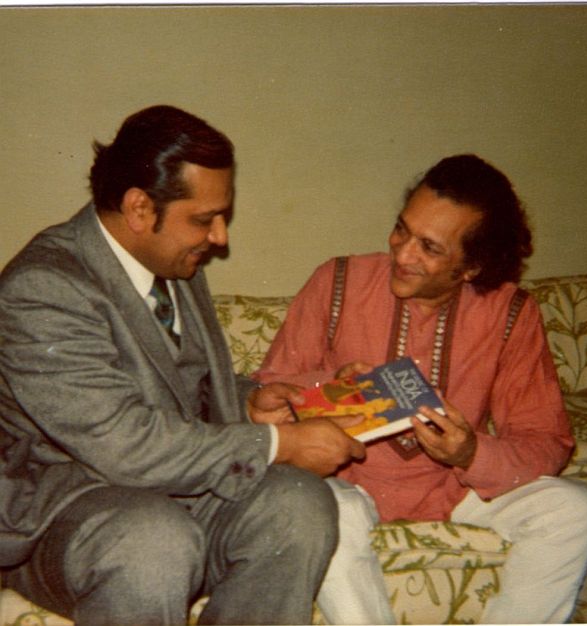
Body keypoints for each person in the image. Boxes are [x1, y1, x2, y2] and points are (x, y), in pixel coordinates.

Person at [0, 105, 367, 626]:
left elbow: (170, 386)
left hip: (171, 493)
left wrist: (246, 403)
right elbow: (123, 442)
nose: (220, 237)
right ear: (139, 208)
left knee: (299, 503)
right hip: (65, 516)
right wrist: (280, 445)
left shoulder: (174, 264)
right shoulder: (44, 288)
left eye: (223, 216)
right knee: (155, 539)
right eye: (203, 219)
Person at [257, 154, 587, 624]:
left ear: (472, 267)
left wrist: (470, 453)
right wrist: (324, 389)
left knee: (577, 511)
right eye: (402, 229)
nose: (402, 253)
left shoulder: (511, 314)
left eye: (430, 248)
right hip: (348, 484)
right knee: (316, 511)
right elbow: (271, 389)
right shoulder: (336, 281)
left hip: (455, 487)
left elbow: (547, 440)